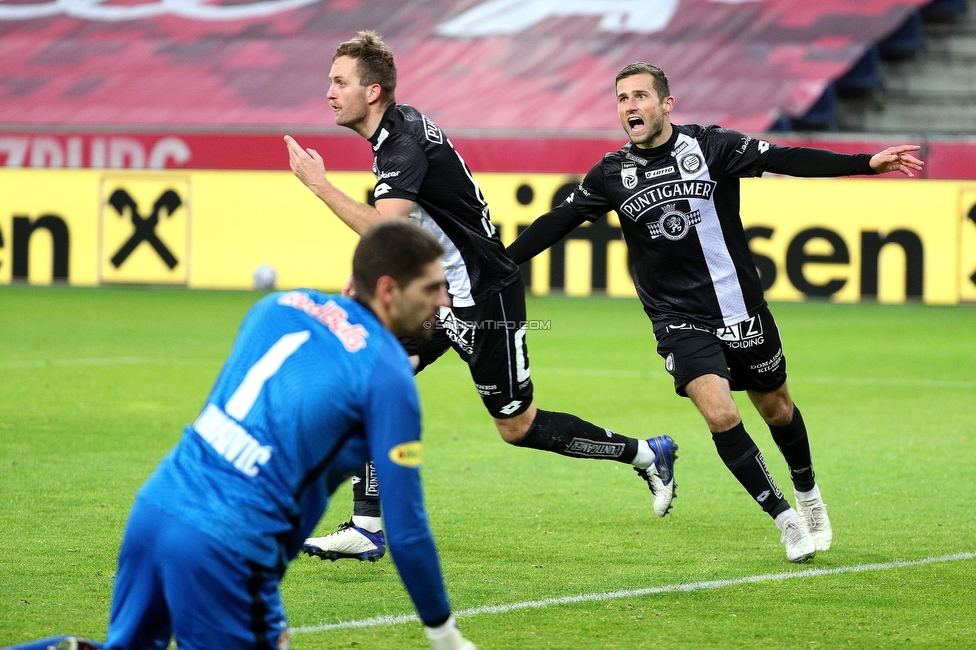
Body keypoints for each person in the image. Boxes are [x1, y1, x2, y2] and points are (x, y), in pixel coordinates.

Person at [506, 62, 924, 563]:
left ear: (666, 104)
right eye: (621, 99)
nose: (630, 107)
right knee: (719, 411)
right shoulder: (611, 173)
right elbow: (557, 222)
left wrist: (863, 163)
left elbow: (788, 156)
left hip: (739, 305)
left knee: (777, 409)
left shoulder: (712, 146)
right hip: (677, 318)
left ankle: (809, 496)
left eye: (640, 96)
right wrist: (498, 267)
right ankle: (785, 520)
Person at [284, 32, 678, 562]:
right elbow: (416, 232)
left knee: (517, 425)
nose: (328, 92)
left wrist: (318, 184)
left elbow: (386, 229)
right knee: (366, 375)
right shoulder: (397, 133)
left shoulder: (401, 146)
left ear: (372, 91)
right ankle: (368, 523)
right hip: (439, 296)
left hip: (483, 296)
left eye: (339, 82)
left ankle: (645, 454)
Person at [94, 221, 474, 650]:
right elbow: (405, 530)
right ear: (388, 290)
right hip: (227, 549)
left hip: (155, 508)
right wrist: (445, 634)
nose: (444, 301)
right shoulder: (387, 373)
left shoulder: (278, 305)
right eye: (432, 289)